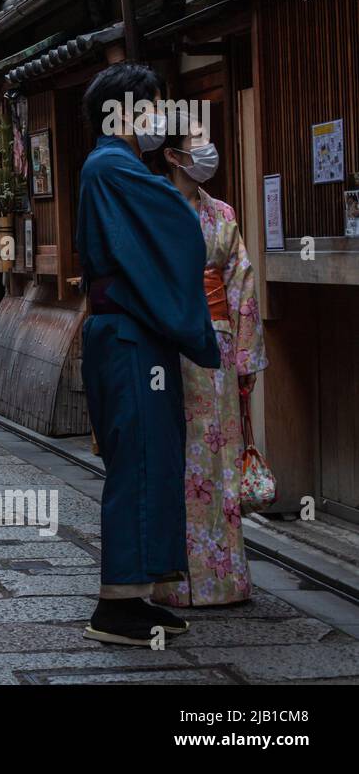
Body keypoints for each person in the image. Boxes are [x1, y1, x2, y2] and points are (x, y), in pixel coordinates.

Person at [76, 62, 221, 646]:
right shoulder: (112, 165)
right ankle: (115, 606)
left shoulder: (113, 166)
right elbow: (179, 230)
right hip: (130, 334)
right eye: (154, 104)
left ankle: (137, 591)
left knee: (152, 455)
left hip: (133, 332)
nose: (162, 117)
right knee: (138, 458)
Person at [147, 112, 268, 608]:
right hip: (169, 344)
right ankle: (174, 580)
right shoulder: (153, 207)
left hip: (215, 343)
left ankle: (223, 578)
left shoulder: (222, 213)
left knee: (215, 457)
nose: (206, 151)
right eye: (196, 144)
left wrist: (244, 357)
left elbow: (242, 283)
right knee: (175, 455)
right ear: (173, 157)